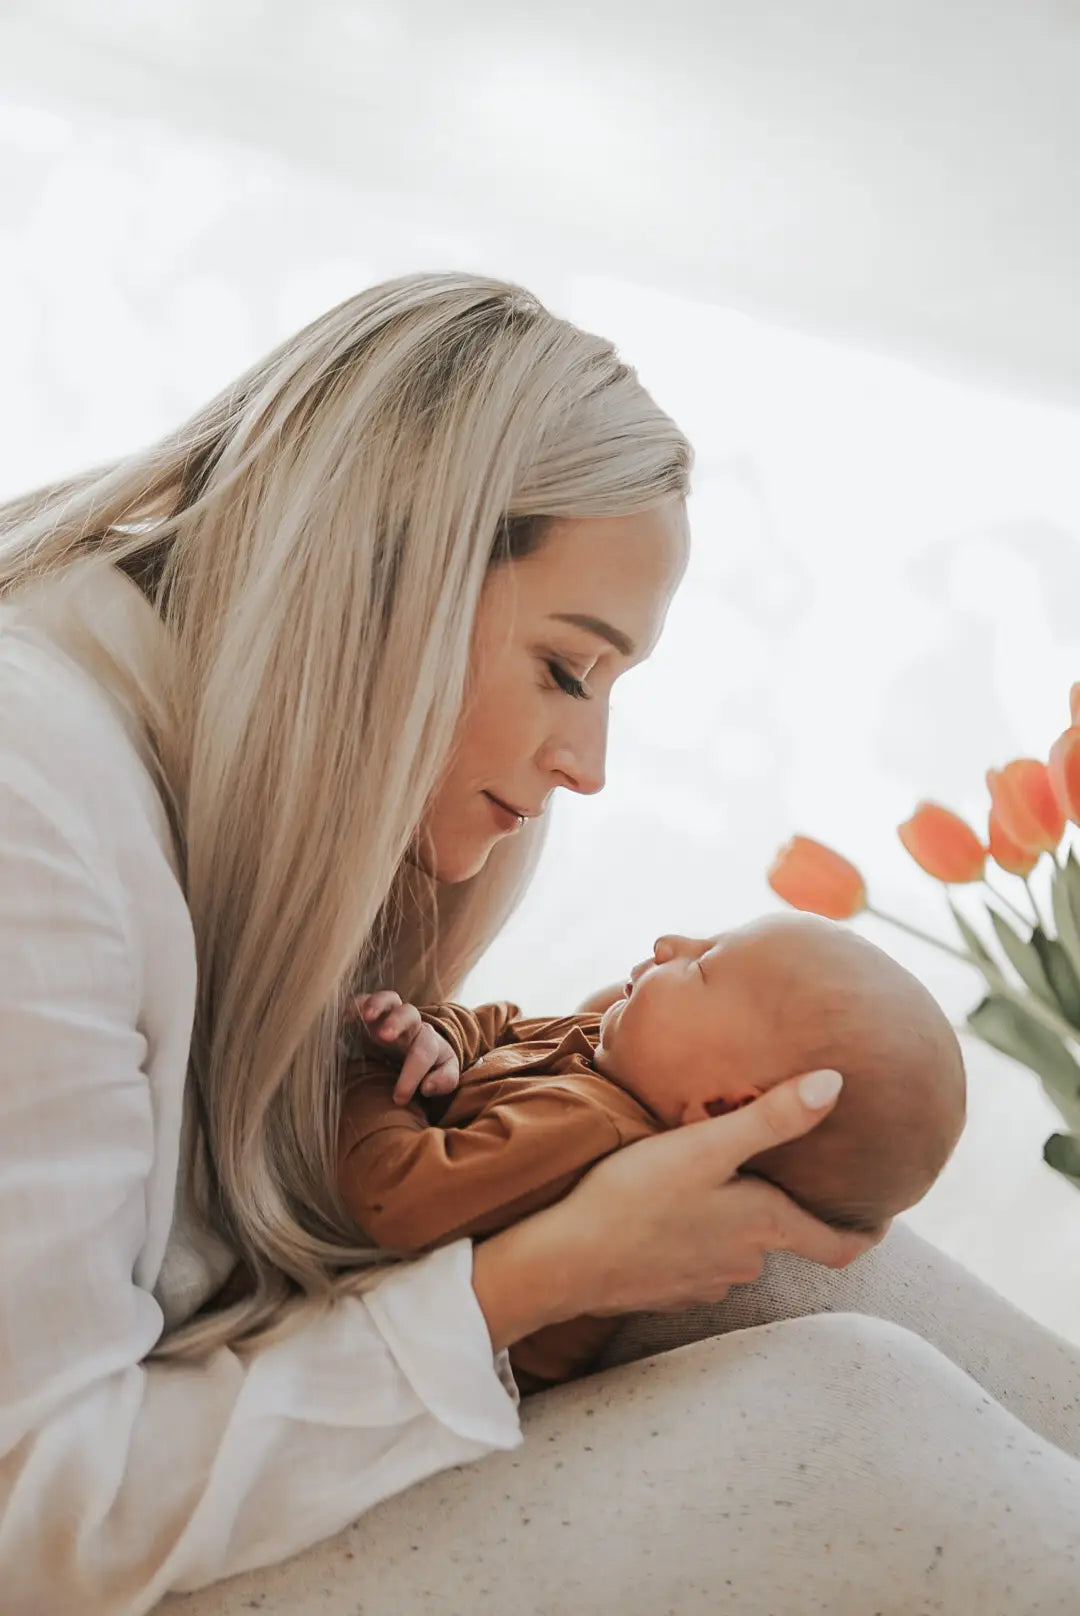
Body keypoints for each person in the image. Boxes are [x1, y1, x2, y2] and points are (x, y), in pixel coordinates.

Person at [0, 274, 1076, 1616]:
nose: (590, 765)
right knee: (854, 1414)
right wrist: (543, 1274)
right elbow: (35, 1511)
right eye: (569, 668)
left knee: (780, 1241)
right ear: (381, 579)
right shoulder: (32, 808)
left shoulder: (241, 781)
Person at [337, 913, 967, 1392]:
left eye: (703, 966)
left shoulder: (590, 1131)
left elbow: (390, 1197)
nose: (670, 944)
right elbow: (504, 1029)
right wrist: (439, 1038)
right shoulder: (607, 1052)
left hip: (385, 1369)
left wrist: (368, 1071)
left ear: (724, 1108)